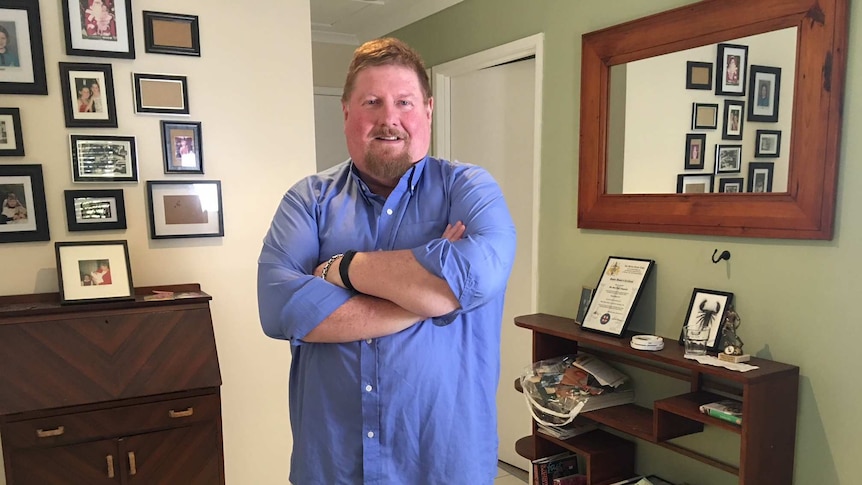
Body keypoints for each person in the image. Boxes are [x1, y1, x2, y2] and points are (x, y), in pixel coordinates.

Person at [257, 37, 516, 484]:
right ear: (346, 113)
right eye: (372, 102)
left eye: (404, 102)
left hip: (443, 463)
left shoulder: (470, 189)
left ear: (428, 111)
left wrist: (343, 269)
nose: (389, 119)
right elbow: (280, 309)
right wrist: (429, 292)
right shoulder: (308, 201)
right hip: (334, 464)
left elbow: (476, 277)